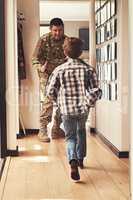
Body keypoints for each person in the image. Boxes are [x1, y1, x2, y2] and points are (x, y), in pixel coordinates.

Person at [46, 37, 102, 181]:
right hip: (83, 109)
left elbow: (50, 91)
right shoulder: (88, 69)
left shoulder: (59, 70)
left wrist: (58, 102)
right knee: (81, 131)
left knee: (70, 137)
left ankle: (72, 161)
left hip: (66, 110)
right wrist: (88, 102)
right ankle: (81, 159)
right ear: (81, 52)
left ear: (65, 51)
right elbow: (95, 89)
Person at [32, 18, 68, 142]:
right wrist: (40, 67)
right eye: (55, 30)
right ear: (50, 29)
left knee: (64, 101)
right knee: (49, 100)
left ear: (63, 29)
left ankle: (56, 128)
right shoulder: (43, 40)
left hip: (61, 75)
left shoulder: (67, 40)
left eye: (60, 30)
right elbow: (34, 58)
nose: (58, 33)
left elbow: (71, 56)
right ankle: (42, 130)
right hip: (46, 74)